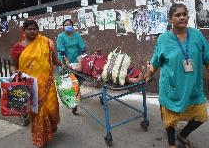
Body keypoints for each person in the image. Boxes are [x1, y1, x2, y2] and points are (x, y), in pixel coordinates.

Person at [145, 4, 209, 148]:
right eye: (177, 15)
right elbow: (156, 60)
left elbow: (208, 59)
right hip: (171, 87)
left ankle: (182, 135)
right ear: (170, 19)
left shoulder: (197, 35)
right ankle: (171, 144)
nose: (182, 17)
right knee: (170, 119)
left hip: (192, 87)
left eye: (184, 14)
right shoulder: (163, 39)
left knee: (200, 116)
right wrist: (148, 73)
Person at [10, 19, 63, 148]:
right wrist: (15, 76)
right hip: (30, 86)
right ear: (24, 31)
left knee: (52, 108)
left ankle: (52, 127)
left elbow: (54, 59)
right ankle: (40, 138)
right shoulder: (18, 48)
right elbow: (13, 65)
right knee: (36, 112)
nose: (32, 31)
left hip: (47, 84)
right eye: (30, 29)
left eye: (35, 29)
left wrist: (64, 65)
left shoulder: (45, 42)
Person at [69, 50, 144, 84]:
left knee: (114, 64)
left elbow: (98, 57)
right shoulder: (79, 63)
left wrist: (95, 55)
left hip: (99, 59)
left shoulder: (85, 58)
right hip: (93, 66)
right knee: (107, 69)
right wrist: (80, 60)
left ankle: (135, 74)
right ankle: (130, 78)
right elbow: (78, 69)